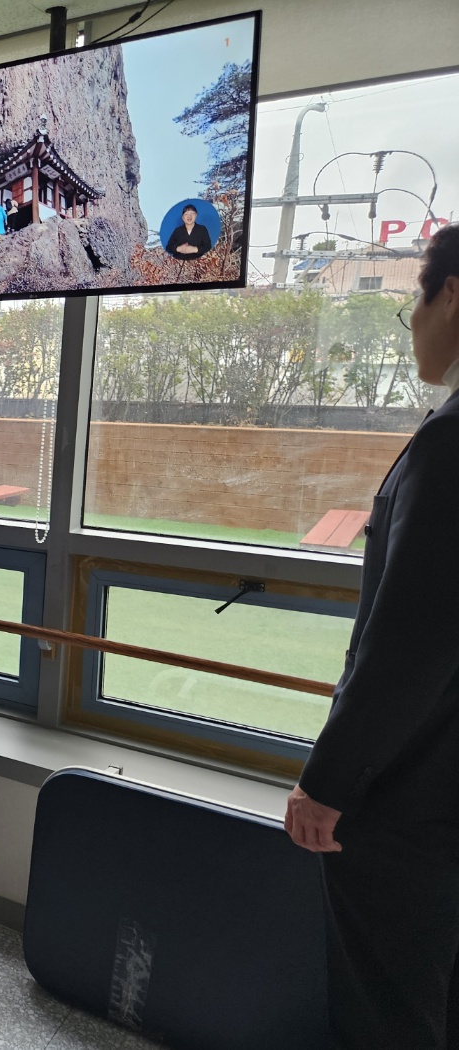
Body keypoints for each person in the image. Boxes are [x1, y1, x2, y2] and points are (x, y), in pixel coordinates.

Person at [286, 224, 459, 1049]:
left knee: (387, 1012)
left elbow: (412, 639)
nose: (413, 325)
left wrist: (330, 781)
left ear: (451, 297)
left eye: (412, 303)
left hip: (418, 800)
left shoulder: (451, 445)